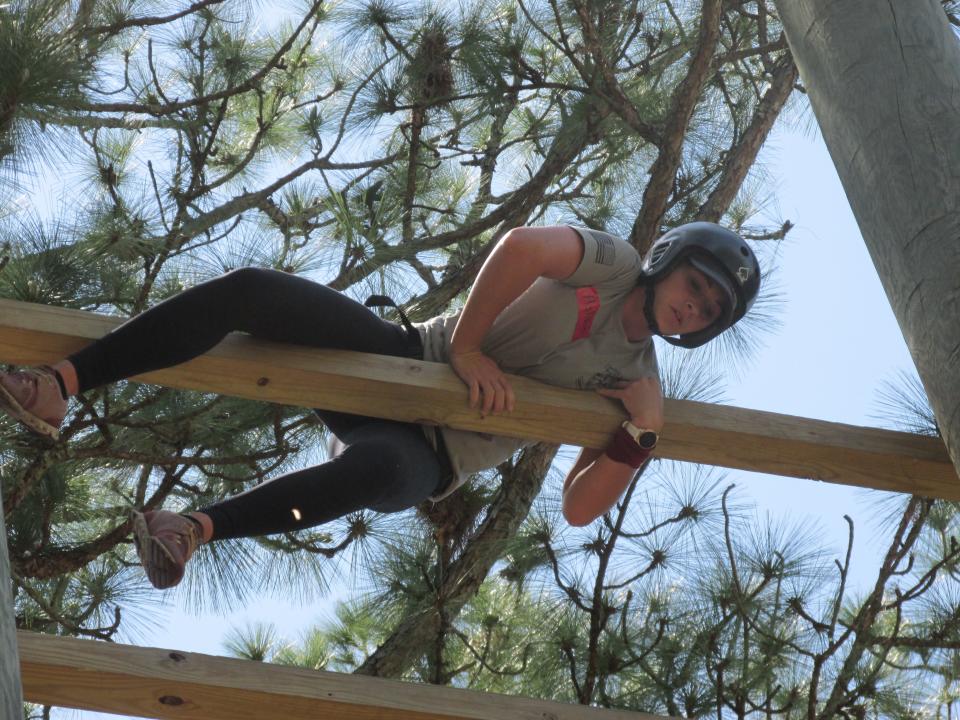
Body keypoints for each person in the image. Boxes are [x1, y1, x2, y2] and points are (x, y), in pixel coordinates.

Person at [0, 222, 760, 589]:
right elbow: (525, 247)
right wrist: (465, 348)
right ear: (669, 264)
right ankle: (64, 384)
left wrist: (641, 436)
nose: (697, 308)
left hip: (434, 455)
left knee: (375, 471)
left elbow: (578, 509)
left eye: (713, 309)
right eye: (697, 285)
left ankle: (193, 529)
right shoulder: (616, 264)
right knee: (254, 291)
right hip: (405, 359)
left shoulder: (637, 382)